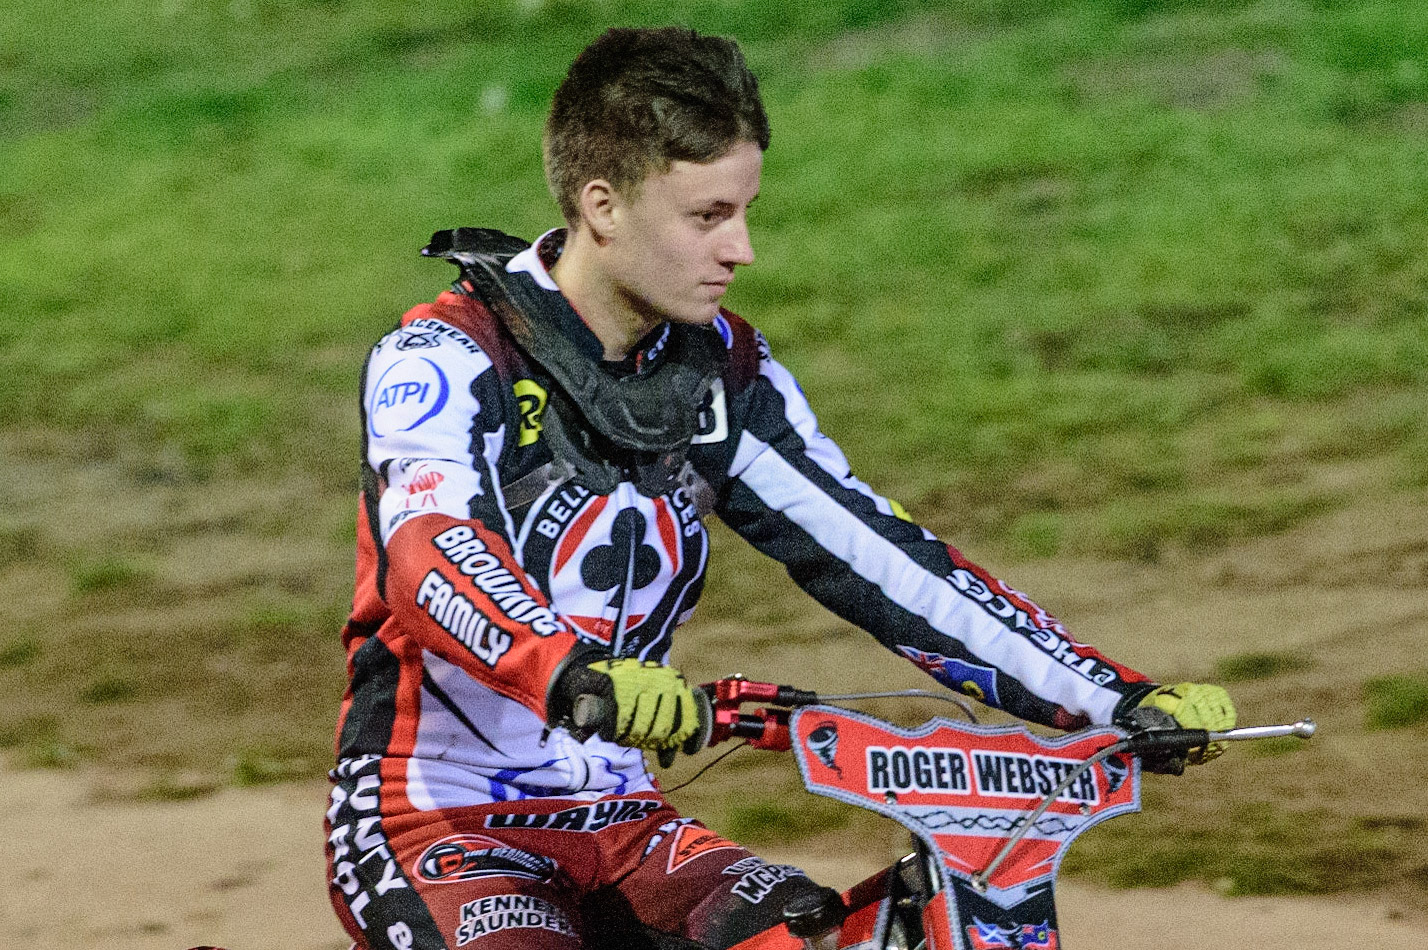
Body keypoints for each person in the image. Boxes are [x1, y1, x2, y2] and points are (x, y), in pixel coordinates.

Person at [325, 26, 1236, 950]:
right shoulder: (445, 355)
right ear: (603, 206)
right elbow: (427, 556)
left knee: (824, 933)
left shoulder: (722, 378)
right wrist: (565, 672)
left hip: (622, 818)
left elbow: (879, 561)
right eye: (708, 216)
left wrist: (1108, 698)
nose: (743, 249)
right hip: (429, 820)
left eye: (746, 210)